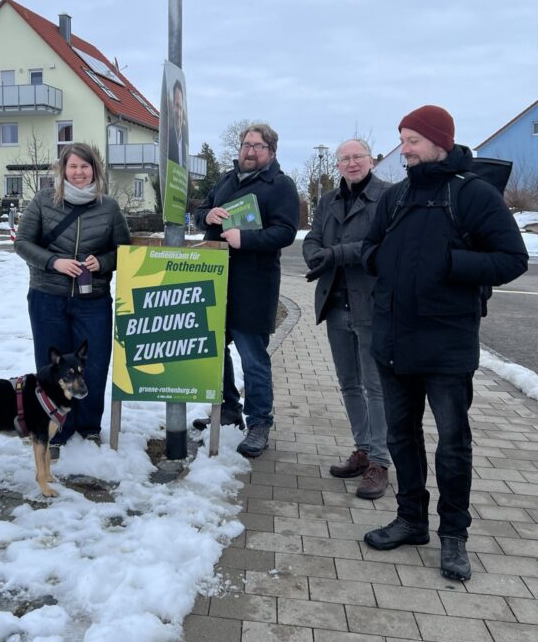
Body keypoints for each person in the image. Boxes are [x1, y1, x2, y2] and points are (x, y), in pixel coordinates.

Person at [362, 105, 528, 581]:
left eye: (412, 140)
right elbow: (372, 249)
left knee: (453, 444)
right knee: (401, 438)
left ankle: (454, 535)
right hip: (393, 339)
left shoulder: (471, 195)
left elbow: (511, 257)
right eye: (402, 139)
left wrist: (451, 264)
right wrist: (382, 263)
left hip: (447, 345)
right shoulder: (394, 198)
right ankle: (411, 520)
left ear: (439, 142)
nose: (405, 150)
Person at [15, 142, 130, 449]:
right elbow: (23, 243)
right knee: (51, 366)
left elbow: (122, 250)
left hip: (93, 300)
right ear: (62, 169)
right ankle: (55, 428)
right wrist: (54, 262)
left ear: (95, 169)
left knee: (94, 364)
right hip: (47, 297)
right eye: (73, 166)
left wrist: (103, 262)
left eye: (85, 166)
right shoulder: (43, 201)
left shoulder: (108, 207)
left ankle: (89, 426)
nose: (79, 173)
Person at [194, 123, 300, 457]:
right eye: (245, 144)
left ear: (271, 151)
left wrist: (247, 240)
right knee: (215, 351)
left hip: (253, 285)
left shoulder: (281, 185)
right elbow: (199, 215)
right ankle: (227, 408)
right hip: (216, 279)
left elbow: (285, 232)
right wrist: (206, 214)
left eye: (257, 146)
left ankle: (259, 422)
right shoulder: (226, 180)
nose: (249, 151)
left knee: (253, 358)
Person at [303, 139, 392, 498]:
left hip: (370, 305)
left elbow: (380, 245)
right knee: (349, 385)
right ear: (337, 165)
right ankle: (363, 449)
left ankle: (380, 462)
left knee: (376, 387)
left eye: (358, 157)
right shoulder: (328, 201)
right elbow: (311, 240)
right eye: (345, 159)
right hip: (335, 303)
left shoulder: (388, 196)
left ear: (371, 159)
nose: (352, 163)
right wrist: (315, 255)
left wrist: (334, 254)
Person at [167, 78, 188, 167]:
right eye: (176, 106)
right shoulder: (168, 138)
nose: (178, 113)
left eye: (180, 108)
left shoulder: (184, 142)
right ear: (172, 107)